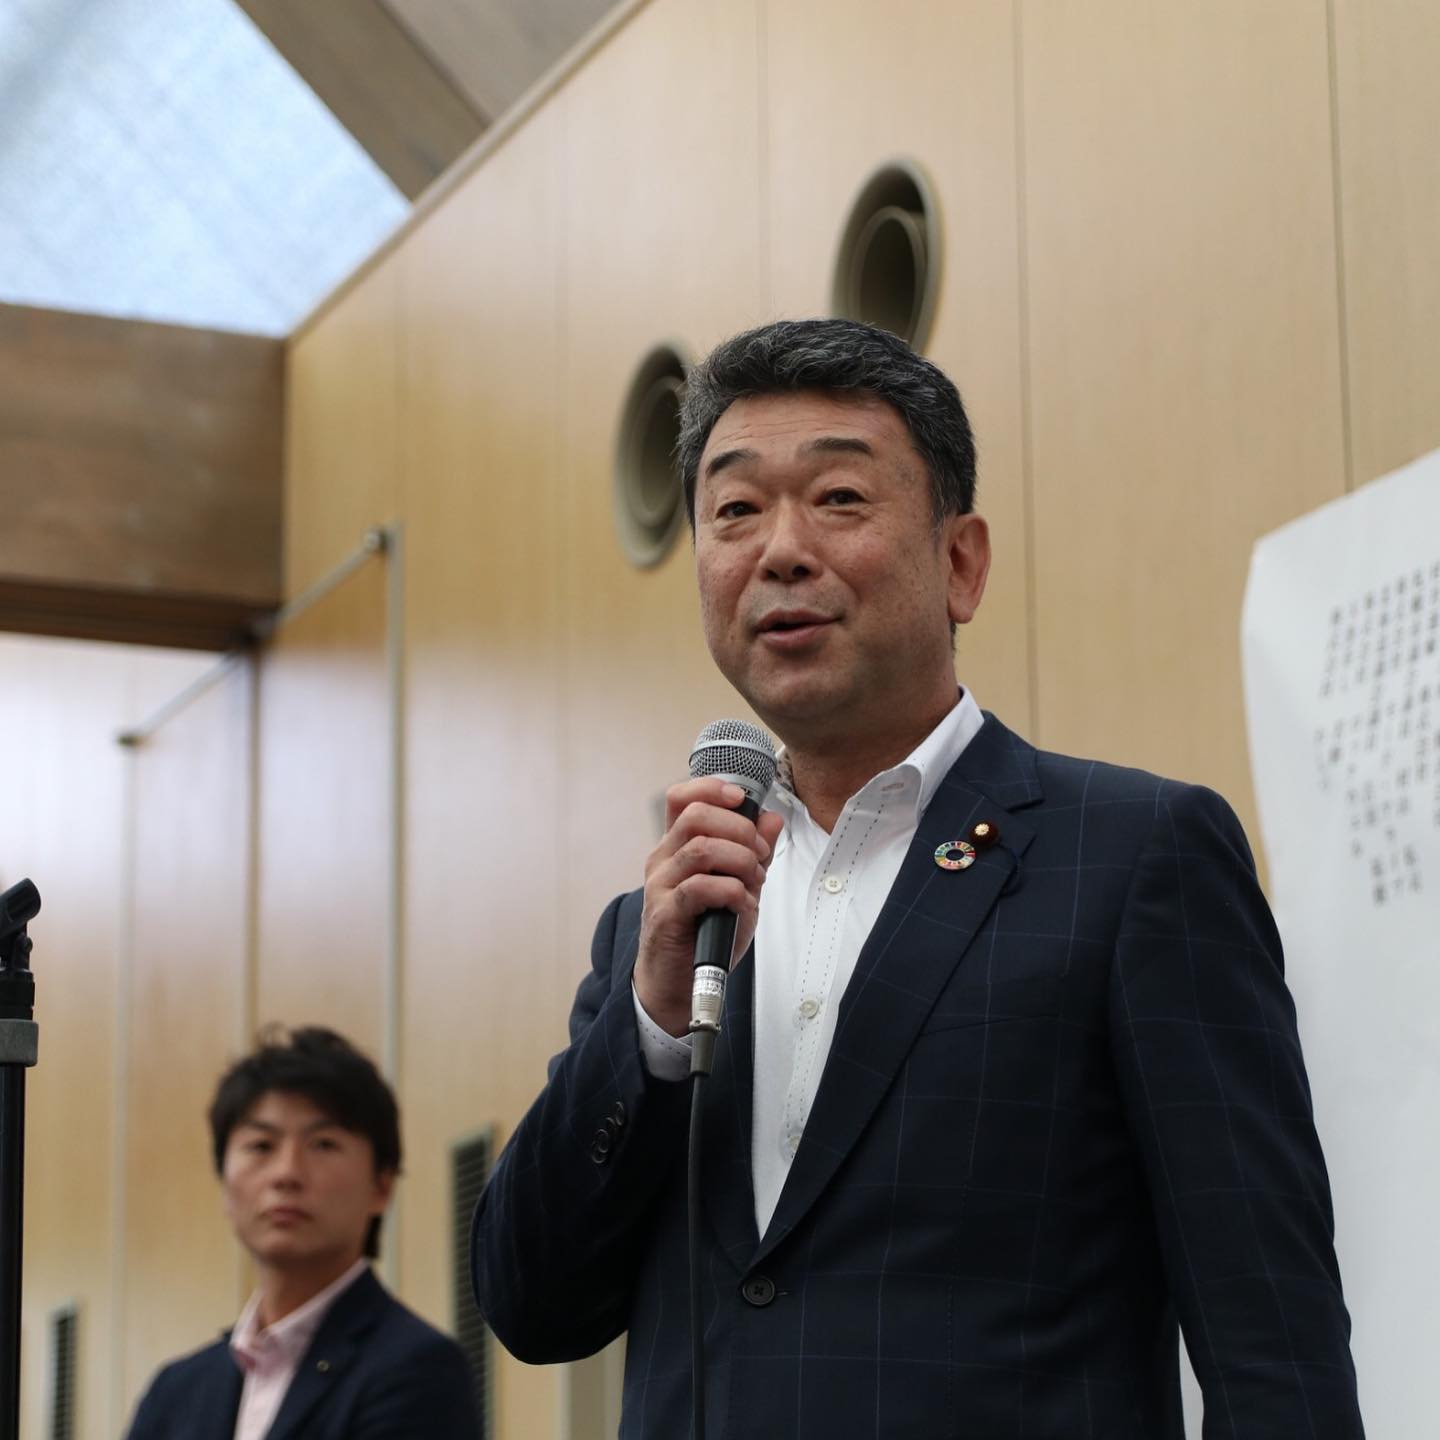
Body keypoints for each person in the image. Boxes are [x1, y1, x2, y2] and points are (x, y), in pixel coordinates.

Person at [472, 317, 1364, 1437]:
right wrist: (647, 1025)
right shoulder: (662, 928)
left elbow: (1269, 1332)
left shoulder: (1134, 855)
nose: (780, 551)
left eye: (839, 498)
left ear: (961, 563)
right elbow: (533, 1306)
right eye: (735, 511)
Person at [127, 1026, 481, 1440]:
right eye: (261, 1145)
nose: (287, 1173)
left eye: (323, 1144)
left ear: (381, 1186)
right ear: (224, 1182)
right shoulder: (174, 1392)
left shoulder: (419, 1369)